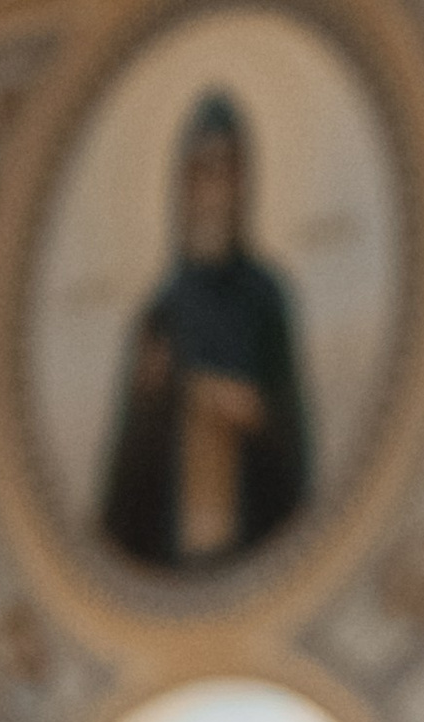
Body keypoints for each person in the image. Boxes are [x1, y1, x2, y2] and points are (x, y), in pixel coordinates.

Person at [102, 91, 309, 569]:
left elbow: (293, 434)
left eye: (223, 170)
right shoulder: (162, 314)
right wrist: (153, 401)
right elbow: (128, 478)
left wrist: (253, 412)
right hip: (175, 555)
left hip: (254, 540)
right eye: (199, 171)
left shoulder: (263, 298)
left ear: (241, 181)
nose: (211, 189)